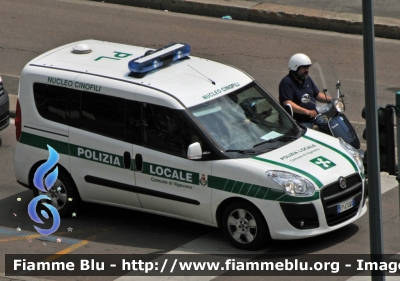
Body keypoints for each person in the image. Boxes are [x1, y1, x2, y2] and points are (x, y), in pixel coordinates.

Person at [279, 53, 332, 134]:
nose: (307, 70)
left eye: (307, 67)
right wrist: (307, 112)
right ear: (295, 68)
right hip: (300, 121)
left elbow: (317, 95)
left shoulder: (307, 79)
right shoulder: (286, 83)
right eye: (304, 68)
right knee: (307, 138)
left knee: (331, 128)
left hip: (315, 116)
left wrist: (331, 100)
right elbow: (288, 103)